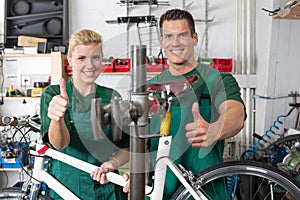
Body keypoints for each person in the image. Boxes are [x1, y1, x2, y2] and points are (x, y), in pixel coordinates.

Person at [122, 8, 246, 199]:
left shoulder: (217, 79)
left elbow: (235, 114)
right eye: (169, 36)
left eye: (182, 35)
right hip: (161, 191)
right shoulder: (151, 87)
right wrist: (137, 172)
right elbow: (145, 141)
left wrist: (216, 129)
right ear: (161, 41)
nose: (175, 43)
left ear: (194, 38)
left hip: (205, 191)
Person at [40, 29, 129, 200]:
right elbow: (59, 144)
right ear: (70, 61)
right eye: (81, 58)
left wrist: (112, 164)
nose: (90, 65)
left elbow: (125, 148)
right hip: (66, 188)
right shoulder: (53, 95)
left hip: (107, 188)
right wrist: (57, 119)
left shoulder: (112, 96)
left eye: (95, 57)